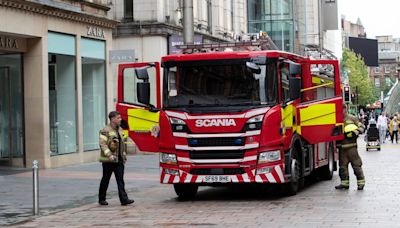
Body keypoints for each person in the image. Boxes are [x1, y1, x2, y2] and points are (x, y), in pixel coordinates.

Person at [98, 111, 134, 206]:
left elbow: (123, 145)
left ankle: (124, 199)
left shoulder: (120, 130)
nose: (120, 119)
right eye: (118, 118)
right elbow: (103, 144)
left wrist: (124, 156)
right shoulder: (105, 130)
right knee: (105, 179)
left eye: (120, 117)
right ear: (113, 119)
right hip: (108, 161)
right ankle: (101, 198)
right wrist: (109, 155)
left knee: (120, 180)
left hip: (119, 160)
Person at [335, 105, 365, 190]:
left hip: (352, 148)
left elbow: (362, 127)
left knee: (356, 166)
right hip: (341, 148)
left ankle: (361, 183)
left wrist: (356, 132)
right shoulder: (337, 120)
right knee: (342, 167)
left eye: (342, 110)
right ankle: (344, 183)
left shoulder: (353, 118)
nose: (341, 112)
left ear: (346, 109)